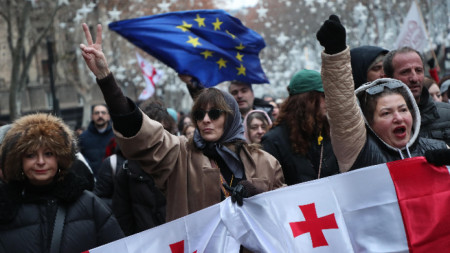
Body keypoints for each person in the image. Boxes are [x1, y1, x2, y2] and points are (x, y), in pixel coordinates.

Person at [80, 23, 284, 223]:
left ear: (230, 118)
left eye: (214, 113)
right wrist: (105, 78)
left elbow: (286, 210)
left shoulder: (265, 162)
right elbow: (140, 134)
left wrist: (258, 194)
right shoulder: (180, 155)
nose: (205, 120)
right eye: (199, 114)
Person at [316, 15, 448, 172]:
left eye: (403, 109)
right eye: (386, 113)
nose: (398, 118)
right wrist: (336, 55)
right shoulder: (360, 153)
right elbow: (343, 115)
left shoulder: (440, 149)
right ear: (370, 122)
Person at [0, 113, 124, 252]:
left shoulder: (88, 203)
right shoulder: (5, 208)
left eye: (48, 154)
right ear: (19, 161)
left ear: (60, 158)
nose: (41, 162)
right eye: (30, 155)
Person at [262, 69, 339, 185]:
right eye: (323, 96)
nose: (328, 101)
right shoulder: (274, 140)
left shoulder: (329, 131)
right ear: (307, 101)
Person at [383, 47, 450, 146]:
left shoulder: (448, 114)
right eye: (405, 72)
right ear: (387, 78)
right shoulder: (377, 123)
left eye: (418, 70)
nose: (414, 78)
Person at [78, 104, 114, 177]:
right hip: (92, 181)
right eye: (97, 113)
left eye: (103, 113)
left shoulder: (116, 137)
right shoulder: (83, 137)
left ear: (108, 116)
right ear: (92, 116)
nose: (100, 115)